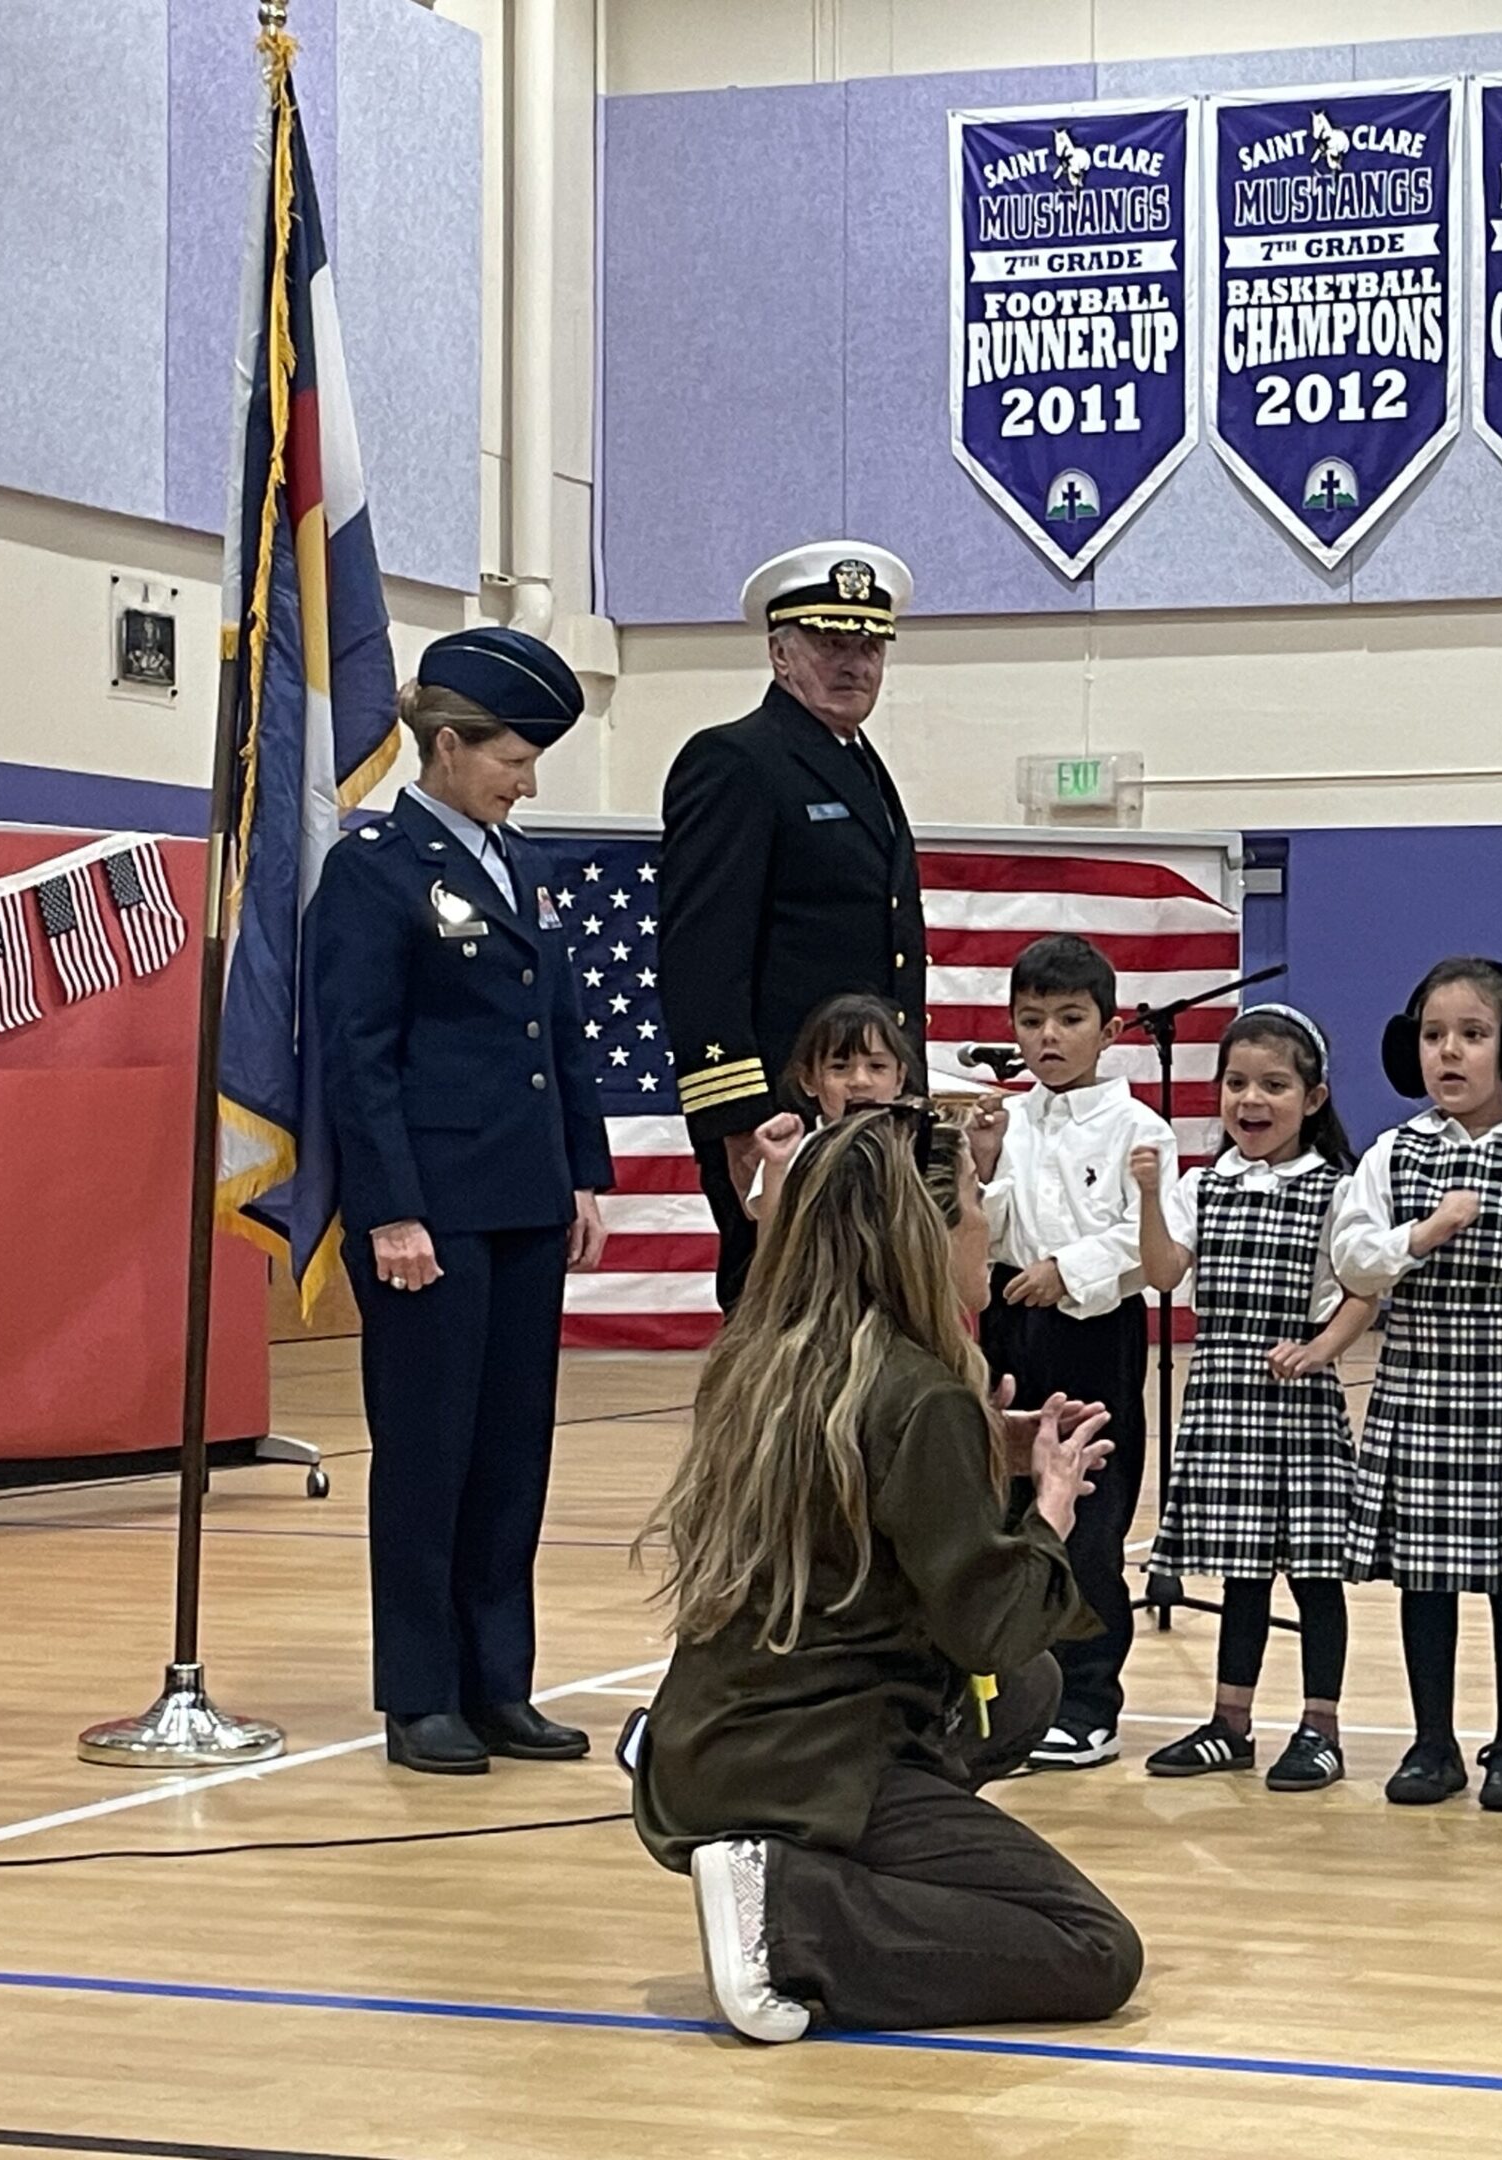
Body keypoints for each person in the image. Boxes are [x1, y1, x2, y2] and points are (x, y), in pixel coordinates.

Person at [630, 1114, 1142, 2040]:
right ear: (927, 1232)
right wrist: (1052, 1511)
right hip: (813, 1750)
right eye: (976, 1205)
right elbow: (990, 1622)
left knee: (1027, 1692)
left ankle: (811, 1864)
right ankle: (790, 1908)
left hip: (714, 1735)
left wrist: (988, 1455)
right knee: (1093, 1949)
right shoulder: (923, 1395)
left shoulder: (763, 1360)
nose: (986, 1225)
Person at [308, 626, 614, 1775]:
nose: (526, 781)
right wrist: (390, 1209)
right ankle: (421, 1692)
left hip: (525, 1197)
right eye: (512, 759)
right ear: (445, 744)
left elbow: (559, 1036)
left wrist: (583, 1166)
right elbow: (359, 1054)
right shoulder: (375, 870)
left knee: (510, 1454)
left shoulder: (519, 865)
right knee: (429, 1454)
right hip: (429, 1211)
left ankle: (501, 1683)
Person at [1335, 957, 1502, 1813]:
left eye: (1472, 1036)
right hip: (1418, 1388)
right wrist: (1424, 1233)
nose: (1449, 1053)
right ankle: (1431, 1741)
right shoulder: (1392, 1152)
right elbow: (1352, 1258)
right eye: (1433, 1035)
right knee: (1426, 1576)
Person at [660, 542, 926, 1310]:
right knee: (780, 1319)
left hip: (869, 1106)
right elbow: (702, 954)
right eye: (831, 642)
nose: (855, 663)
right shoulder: (736, 761)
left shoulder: (859, 763)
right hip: (786, 1109)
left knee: (872, 1314)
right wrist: (738, 1118)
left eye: (870, 644)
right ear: (780, 653)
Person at [1129, 1006, 1373, 1793]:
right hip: (1222, 1392)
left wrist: (1320, 1349)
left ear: (1315, 1096)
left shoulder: (1335, 1188)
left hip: (1296, 1399)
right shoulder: (1208, 1185)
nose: (1250, 1100)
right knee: (1239, 1571)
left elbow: (1366, 1287)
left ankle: (1321, 1726)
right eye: (1236, 1083)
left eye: (1273, 1084)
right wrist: (1145, 1197)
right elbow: (1166, 1275)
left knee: (1313, 1571)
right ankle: (1230, 1723)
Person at [970, 934, 1177, 1772]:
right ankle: (1014, 1694)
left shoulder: (1140, 1126)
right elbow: (986, 1227)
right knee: (1007, 1511)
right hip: (1011, 1325)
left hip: (1094, 1332)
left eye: (1068, 1019)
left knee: (1089, 1522)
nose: (1048, 1038)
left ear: (1110, 1027)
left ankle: (1089, 1701)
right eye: (1031, 1021)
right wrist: (981, 1169)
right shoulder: (1007, 1121)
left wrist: (1074, 1271)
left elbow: (1155, 1239)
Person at [741, 991, 991, 1311]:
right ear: (808, 1080)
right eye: (840, 1067)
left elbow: (961, 1241)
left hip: (910, 1313)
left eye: (876, 1066)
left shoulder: (924, 1151)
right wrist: (776, 1167)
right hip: (821, 1313)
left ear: (899, 1078)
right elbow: (774, 1253)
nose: (860, 1080)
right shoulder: (795, 1153)